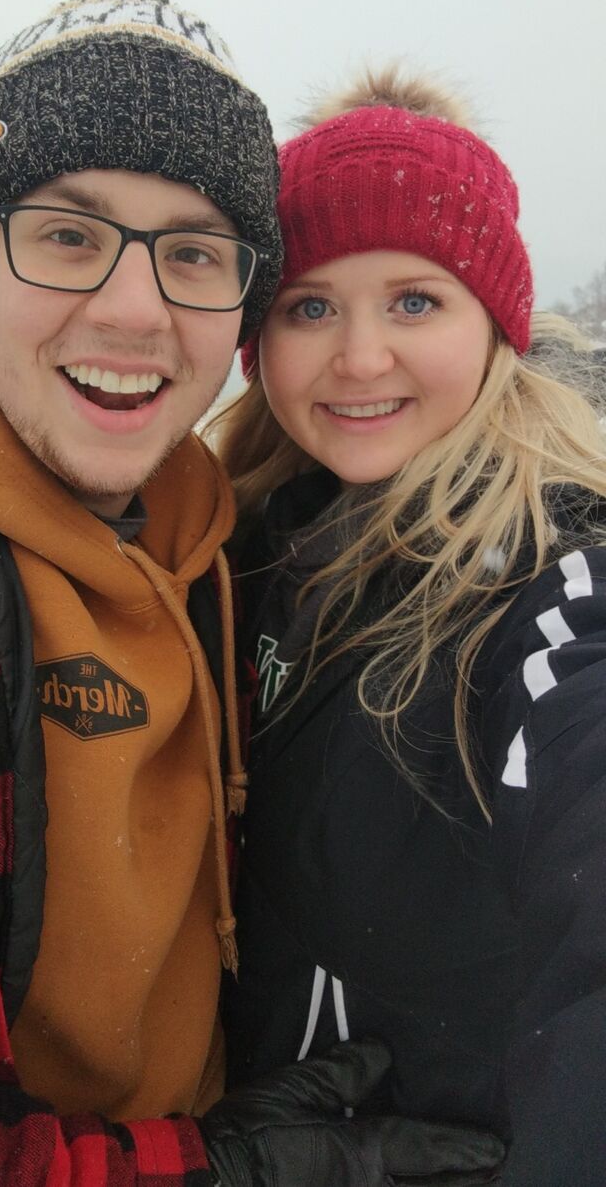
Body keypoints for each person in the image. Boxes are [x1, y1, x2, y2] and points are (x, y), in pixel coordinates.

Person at [0, 0, 504, 1187]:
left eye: (194, 253)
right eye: (67, 234)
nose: (135, 310)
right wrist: (198, 1176)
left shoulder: (211, 541)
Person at [215, 67, 606, 1185]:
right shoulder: (244, 549)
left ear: (497, 322)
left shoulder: (551, 578)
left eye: (415, 301)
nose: (361, 356)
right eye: (311, 305)